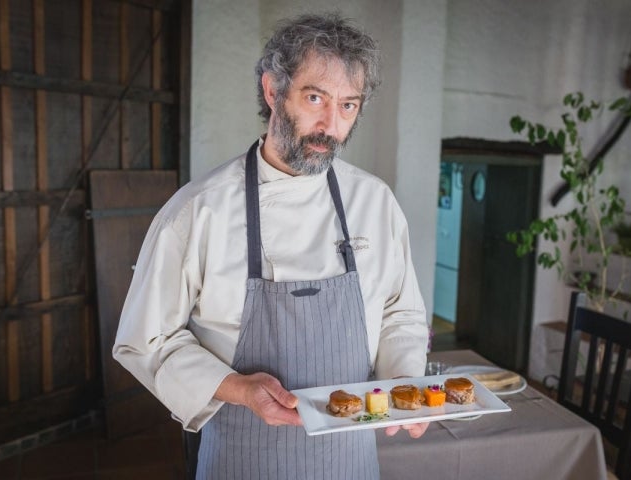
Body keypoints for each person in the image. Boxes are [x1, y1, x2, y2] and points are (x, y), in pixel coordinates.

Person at [113, 12, 429, 480]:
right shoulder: (199, 210)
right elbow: (147, 340)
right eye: (316, 97)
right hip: (242, 458)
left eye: (348, 106)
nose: (330, 125)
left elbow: (400, 312)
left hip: (351, 461)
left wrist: (403, 376)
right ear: (272, 91)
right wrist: (240, 389)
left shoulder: (375, 202)